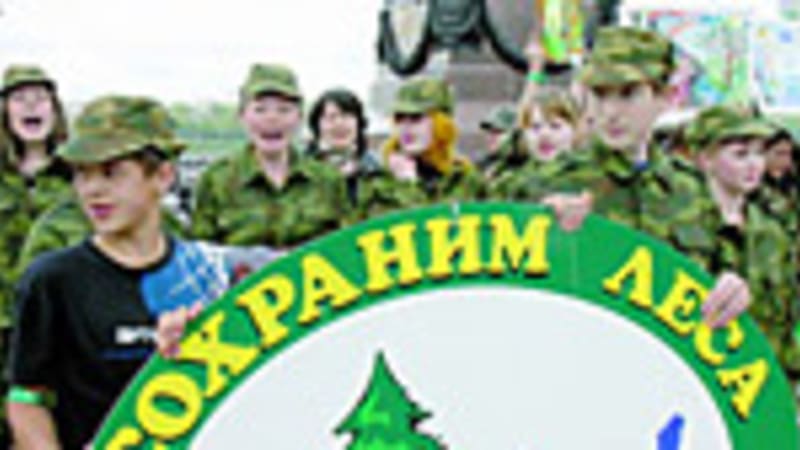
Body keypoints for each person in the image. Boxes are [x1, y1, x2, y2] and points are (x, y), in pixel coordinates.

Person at [6, 96, 231, 450]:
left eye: (111, 172)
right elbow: (26, 397)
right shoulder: (54, 280)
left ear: (163, 176)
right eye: (82, 174)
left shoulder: (204, 274)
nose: (92, 190)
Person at [519, 26, 752, 328]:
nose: (610, 112)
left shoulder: (691, 190)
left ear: (665, 97)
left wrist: (733, 290)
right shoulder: (546, 184)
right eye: (600, 94)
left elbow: (721, 277)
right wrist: (544, 234)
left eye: (628, 94)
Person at [685, 105, 800, 384]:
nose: (754, 165)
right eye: (740, 154)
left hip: (765, 381)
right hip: (705, 381)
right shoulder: (682, 227)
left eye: (759, 153)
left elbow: (785, 319)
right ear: (705, 159)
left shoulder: (772, 231)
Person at [191, 63, 348, 250]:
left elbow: (347, 248)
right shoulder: (216, 181)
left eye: (284, 110)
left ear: (299, 118)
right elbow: (203, 255)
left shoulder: (328, 180)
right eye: (260, 109)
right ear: (242, 116)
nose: (272, 118)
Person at [0, 64, 71, 446]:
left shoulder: (76, 176)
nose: (31, 107)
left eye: (40, 98)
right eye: (20, 99)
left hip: (56, 326)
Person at [356, 77, 483, 220]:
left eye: (416, 118)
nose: (406, 128)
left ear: (442, 124)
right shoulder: (379, 184)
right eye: (399, 118)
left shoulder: (465, 180)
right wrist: (407, 184)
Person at [306, 87, 380, 205]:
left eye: (346, 116)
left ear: (359, 123)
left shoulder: (375, 169)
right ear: (317, 126)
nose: (339, 124)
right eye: (331, 117)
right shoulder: (302, 171)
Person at [476, 103, 517, 175]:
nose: (491, 136)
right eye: (489, 131)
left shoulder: (522, 170)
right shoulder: (480, 167)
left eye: (499, 131)